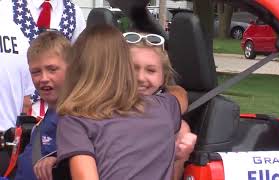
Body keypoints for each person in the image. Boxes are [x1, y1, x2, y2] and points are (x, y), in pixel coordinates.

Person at [55, 24, 183, 180]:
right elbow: (180, 95)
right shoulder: (163, 107)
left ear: (76, 66)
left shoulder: (75, 120)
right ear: (125, 66)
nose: (140, 77)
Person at [0, 0, 85, 131]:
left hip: (61, 111)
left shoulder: (74, 12)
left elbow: (80, 64)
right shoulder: (7, 6)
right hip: (20, 111)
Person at [124, 32, 197, 180]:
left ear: (163, 76)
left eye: (150, 70)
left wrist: (177, 156)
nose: (140, 78)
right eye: (133, 68)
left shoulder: (175, 121)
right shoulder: (104, 103)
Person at [14, 31, 71, 180]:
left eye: (52, 69)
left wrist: (62, 161)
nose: (43, 78)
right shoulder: (48, 118)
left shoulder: (81, 117)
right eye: (36, 72)